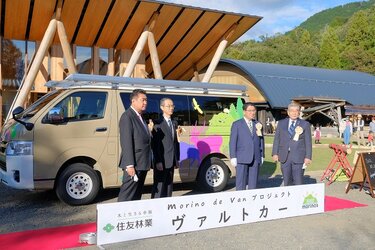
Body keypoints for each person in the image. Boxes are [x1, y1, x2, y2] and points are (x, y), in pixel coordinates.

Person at [118, 89, 152, 202]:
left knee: (137, 194)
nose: (145, 103)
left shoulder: (141, 116)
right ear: (133, 101)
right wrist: (129, 165)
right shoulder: (127, 116)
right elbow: (126, 142)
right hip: (134, 163)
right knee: (127, 194)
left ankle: (133, 217)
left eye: (146, 100)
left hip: (142, 162)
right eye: (143, 100)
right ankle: (119, 216)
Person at [272, 102, 312, 186]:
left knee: (298, 182)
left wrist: (308, 157)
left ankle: (297, 198)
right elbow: (277, 139)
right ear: (288, 112)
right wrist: (275, 153)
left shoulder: (305, 124)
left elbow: (308, 142)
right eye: (292, 111)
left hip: (299, 156)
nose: (294, 113)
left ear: (299, 112)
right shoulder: (281, 123)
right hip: (284, 156)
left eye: (296, 111)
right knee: (287, 181)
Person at [229, 102, 265, 190]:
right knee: (241, 183)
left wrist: (262, 155)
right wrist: (233, 156)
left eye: (254, 110)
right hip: (242, 157)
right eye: (250, 111)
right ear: (244, 111)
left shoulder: (258, 124)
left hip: (255, 157)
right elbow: (232, 141)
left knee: (253, 183)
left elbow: (261, 140)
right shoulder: (237, 124)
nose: (252, 113)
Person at [151, 98, 180, 198]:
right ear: (162, 107)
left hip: (171, 160)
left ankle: (167, 207)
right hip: (162, 161)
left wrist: (177, 160)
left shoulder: (174, 123)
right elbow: (155, 144)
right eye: (168, 106)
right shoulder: (157, 123)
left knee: (169, 187)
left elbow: (175, 142)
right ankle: (155, 208)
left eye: (172, 106)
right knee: (159, 187)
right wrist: (158, 161)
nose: (171, 108)